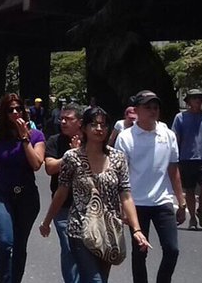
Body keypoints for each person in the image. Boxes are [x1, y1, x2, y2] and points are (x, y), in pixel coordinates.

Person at [39, 107, 151, 283]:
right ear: (84, 128)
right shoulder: (72, 157)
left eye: (103, 125)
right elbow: (61, 192)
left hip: (109, 230)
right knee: (95, 280)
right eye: (94, 124)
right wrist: (47, 222)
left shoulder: (118, 158)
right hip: (80, 230)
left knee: (100, 279)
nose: (99, 129)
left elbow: (126, 195)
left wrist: (137, 230)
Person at [115, 90, 186, 283]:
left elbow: (173, 169)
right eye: (147, 107)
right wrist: (122, 206)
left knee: (172, 250)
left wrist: (181, 201)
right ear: (136, 110)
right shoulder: (126, 137)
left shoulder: (168, 134)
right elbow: (121, 174)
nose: (152, 111)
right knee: (140, 252)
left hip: (162, 201)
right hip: (136, 203)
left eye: (155, 107)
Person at [0, 93, 45, 283]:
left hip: (27, 197)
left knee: (19, 245)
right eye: (10, 109)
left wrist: (25, 139)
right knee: (6, 242)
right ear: (4, 113)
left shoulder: (36, 136)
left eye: (18, 108)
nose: (15, 112)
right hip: (1, 194)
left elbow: (36, 164)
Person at [43, 103, 83, 283]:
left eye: (69, 119)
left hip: (88, 205)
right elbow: (50, 168)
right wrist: (71, 154)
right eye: (62, 119)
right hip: (63, 206)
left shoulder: (91, 141)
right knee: (69, 248)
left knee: (88, 250)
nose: (63, 122)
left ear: (80, 122)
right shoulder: (54, 141)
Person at [172, 89, 202, 229]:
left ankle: (201, 210)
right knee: (190, 190)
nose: (198, 100)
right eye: (194, 98)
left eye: (199, 98)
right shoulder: (180, 118)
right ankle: (193, 217)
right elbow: (175, 139)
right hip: (186, 159)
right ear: (188, 101)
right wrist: (174, 159)